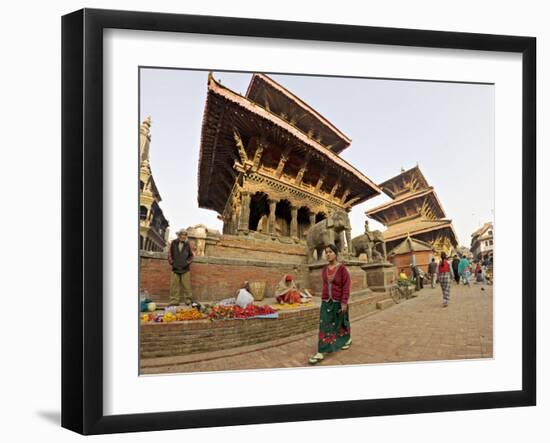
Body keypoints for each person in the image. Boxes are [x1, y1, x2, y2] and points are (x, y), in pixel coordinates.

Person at [309, 244, 352, 365]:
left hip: (339, 301)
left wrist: (344, 302)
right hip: (326, 301)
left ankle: (347, 338)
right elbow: (325, 285)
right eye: (326, 252)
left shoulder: (342, 269)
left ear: (336, 253)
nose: (327, 254)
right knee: (325, 324)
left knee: (342, 322)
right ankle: (321, 351)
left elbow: (346, 286)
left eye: (330, 252)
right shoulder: (324, 269)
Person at [168, 229, 194, 306]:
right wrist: (172, 262)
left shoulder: (188, 244)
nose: (183, 236)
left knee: (187, 286)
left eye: (185, 235)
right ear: (178, 235)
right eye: (181, 235)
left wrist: (187, 263)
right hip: (175, 268)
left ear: (186, 236)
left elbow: (191, 256)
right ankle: (174, 301)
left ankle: (188, 301)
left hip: (185, 269)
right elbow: (170, 254)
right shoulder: (173, 243)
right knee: (174, 286)